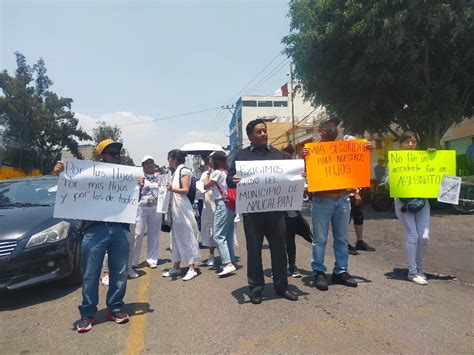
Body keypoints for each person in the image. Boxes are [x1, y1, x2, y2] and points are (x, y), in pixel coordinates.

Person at [52, 139, 131, 333]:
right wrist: (59, 173)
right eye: (112, 154)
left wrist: (138, 184)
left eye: (118, 154)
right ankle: (87, 314)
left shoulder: (126, 176)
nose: (116, 157)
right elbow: (69, 188)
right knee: (90, 274)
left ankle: (115, 308)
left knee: (119, 272)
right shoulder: (85, 174)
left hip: (120, 229)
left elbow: (132, 199)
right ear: (101, 156)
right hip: (94, 231)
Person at [227, 118, 298, 304]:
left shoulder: (279, 156)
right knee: (254, 251)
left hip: (275, 213)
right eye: (258, 132)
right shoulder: (241, 157)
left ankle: (282, 287)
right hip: (252, 214)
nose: (263, 134)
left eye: (264, 130)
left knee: (279, 250)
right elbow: (228, 179)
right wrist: (232, 180)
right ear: (250, 136)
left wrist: (300, 177)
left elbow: (290, 177)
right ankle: (256, 289)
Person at [301, 117, 372, 292]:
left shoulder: (345, 149)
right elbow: (304, 174)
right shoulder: (312, 151)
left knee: (341, 239)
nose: (332, 129)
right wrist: (304, 158)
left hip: (342, 199)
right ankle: (319, 272)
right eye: (328, 126)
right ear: (320, 130)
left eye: (334, 126)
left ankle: (341, 271)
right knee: (320, 239)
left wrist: (368, 149)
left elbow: (355, 169)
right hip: (321, 201)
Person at [393, 132, 434, 285]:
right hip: (404, 205)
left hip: (422, 202)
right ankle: (412, 272)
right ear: (401, 144)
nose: (410, 145)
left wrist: (432, 158)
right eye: (407, 142)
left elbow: (436, 173)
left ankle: (419, 268)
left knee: (424, 237)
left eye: (413, 142)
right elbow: (387, 182)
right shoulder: (395, 161)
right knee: (413, 236)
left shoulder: (423, 159)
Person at [162, 149, 200, 281]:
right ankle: (176, 266)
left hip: (182, 208)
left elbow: (185, 190)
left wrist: (171, 189)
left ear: (174, 159)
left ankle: (191, 267)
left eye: (169, 158)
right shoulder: (175, 172)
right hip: (176, 209)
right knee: (176, 238)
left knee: (187, 236)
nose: (168, 160)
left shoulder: (184, 171)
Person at [203, 151, 237, 277]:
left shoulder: (216, 172)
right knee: (227, 234)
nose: (209, 162)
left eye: (210, 160)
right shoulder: (226, 171)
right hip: (230, 204)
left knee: (218, 235)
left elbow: (206, 185)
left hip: (222, 204)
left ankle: (227, 263)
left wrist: (208, 172)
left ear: (215, 161)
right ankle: (231, 260)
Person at [132, 155, 163, 270]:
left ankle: (152, 259)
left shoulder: (159, 177)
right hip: (141, 208)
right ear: (143, 165)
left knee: (154, 234)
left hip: (155, 208)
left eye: (151, 163)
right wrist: (138, 185)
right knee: (138, 234)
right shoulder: (138, 177)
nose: (150, 165)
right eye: (147, 163)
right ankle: (134, 261)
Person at [197, 156, 218, 267]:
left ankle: (227, 256)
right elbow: (201, 188)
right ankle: (211, 255)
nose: (210, 165)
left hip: (219, 206)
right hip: (208, 207)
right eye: (209, 163)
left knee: (220, 233)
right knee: (209, 233)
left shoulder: (222, 172)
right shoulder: (205, 174)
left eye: (212, 162)